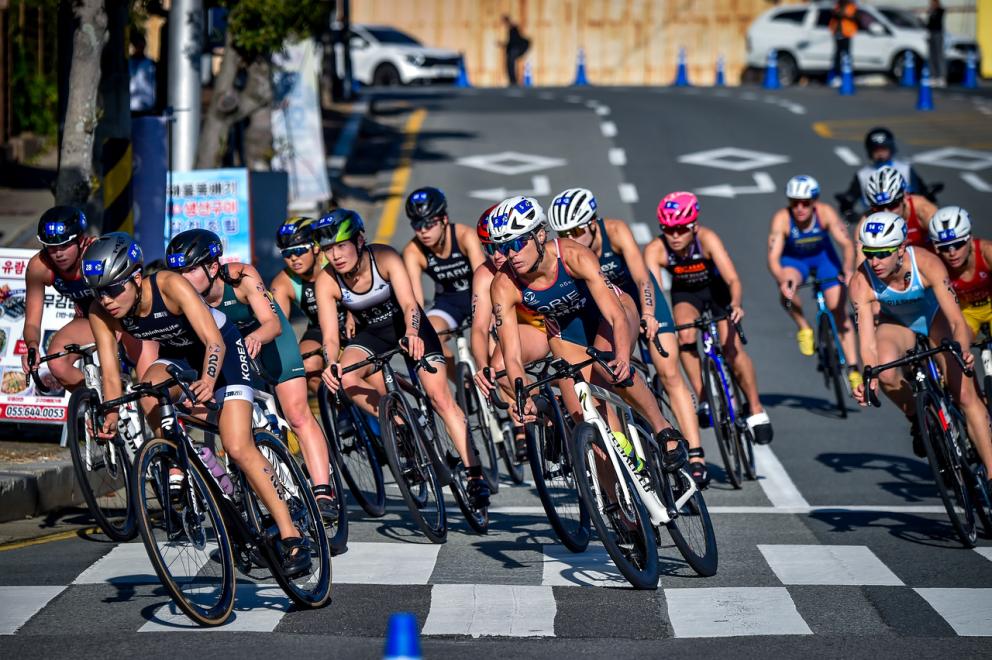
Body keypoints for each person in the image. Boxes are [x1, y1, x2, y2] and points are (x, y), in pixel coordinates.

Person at [82, 232, 312, 576]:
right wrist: (112, 411)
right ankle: (183, 456)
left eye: (114, 289)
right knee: (147, 389)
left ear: (136, 278)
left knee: (236, 444)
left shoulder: (170, 285)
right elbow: (111, 373)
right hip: (181, 357)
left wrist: (207, 378)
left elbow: (213, 340)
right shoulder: (102, 311)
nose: (108, 300)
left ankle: (293, 539)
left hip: (223, 350)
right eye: (99, 292)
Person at [487, 195, 689, 474]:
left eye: (518, 243)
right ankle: (619, 508)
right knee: (583, 418)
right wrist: (522, 397)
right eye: (503, 246)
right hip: (567, 333)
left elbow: (615, 315)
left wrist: (622, 357)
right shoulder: (503, 284)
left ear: (540, 235)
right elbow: (511, 354)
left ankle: (664, 430)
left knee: (607, 367)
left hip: (610, 316)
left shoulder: (572, 256)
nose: (511, 254)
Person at [313, 209, 491, 509]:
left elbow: (410, 304)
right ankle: (395, 419)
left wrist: (412, 333)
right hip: (372, 335)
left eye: (341, 245)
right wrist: (331, 361)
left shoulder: (384, 258)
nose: (336, 255)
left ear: (359, 240)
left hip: (408, 327)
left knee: (439, 398)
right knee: (344, 375)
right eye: (329, 249)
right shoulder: (327, 281)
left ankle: (475, 475)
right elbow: (331, 338)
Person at [165, 228, 338, 524]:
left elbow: (272, 323)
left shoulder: (242, 276)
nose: (182, 278)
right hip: (229, 350)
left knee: (296, 413)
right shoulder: (181, 296)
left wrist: (256, 336)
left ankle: (323, 491)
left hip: (268, 339)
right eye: (178, 271)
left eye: (191, 269)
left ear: (213, 267)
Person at [546, 187, 709, 487]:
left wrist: (649, 314)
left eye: (579, 229)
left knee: (668, 368)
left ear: (594, 222)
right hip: (603, 310)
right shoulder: (567, 254)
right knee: (604, 379)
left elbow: (642, 277)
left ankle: (694, 455)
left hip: (639, 300)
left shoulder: (616, 231)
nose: (573, 237)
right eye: (565, 232)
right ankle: (629, 450)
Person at [851, 213, 992, 485]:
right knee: (886, 373)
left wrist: (962, 351)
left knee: (963, 393)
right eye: (869, 253)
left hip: (934, 317)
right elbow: (867, 343)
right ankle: (917, 417)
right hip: (897, 324)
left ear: (901, 248)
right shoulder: (861, 282)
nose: (874, 261)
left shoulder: (926, 263)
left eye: (882, 253)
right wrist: (869, 377)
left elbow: (956, 321)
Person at [644, 192, 774, 445]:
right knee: (684, 334)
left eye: (681, 229)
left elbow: (733, 279)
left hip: (717, 293)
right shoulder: (656, 249)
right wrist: (654, 318)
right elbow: (654, 292)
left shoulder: (707, 239)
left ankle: (756, 408)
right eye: (668, 230)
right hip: (687, 295)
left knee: (731, 348)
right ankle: (704, 396)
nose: (674, 236)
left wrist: (736, 304)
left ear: (694, 226)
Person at [470, 205, 560, 462]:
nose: (499, 255)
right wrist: (481, 366)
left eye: (504, 245)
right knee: (499, 368)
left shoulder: (529, 255)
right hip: (534, 330)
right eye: (490, 248)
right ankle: (547, 409)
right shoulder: (486, 275)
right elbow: (478, 327)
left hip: (558, 319)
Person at [21, 206, 138, 390]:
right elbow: (32, 323)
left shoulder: (96, 253)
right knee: (57, 361)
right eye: (51, 247)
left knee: (145, 372)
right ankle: (96, 403)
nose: (58, 253)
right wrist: (33, 346)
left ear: (81, 240)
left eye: (65, 245)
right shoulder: (39, 267)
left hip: (127, 315)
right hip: (90, 319)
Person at [768, 175, 861, 389]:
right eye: (794, 202)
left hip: (824, 260)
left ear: (815, 201)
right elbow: (773, 259)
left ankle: (854, 367)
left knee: (838, 309)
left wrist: (847, 270)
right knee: (787, 292)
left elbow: (847, 245)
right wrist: (782, 280)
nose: (800, 208)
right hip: (794, 261)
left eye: (806, 203)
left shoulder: (825, 213)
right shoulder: (782, 219)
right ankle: (803, 326)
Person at [402, 187, 487, 378]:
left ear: (444, 220)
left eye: (429, 223)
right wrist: (415, 329)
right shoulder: (413, 251)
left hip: (479, 296)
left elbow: (484, 279)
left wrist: (484, 320)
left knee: (483, 345)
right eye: (417, 225)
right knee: (429, 335)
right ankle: (461, 383)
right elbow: (415, 300)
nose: (423, 231)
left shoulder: (465, 236)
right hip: (448, 303)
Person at [269, 217, 335, 394]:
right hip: (320, 328)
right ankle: (341, 411)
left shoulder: (333, 261)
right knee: (307, 365)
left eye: (299, 250)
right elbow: (277, 325)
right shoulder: (283, 282)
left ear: (315, 247)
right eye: (286, 253)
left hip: (354, 322)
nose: (293, 258)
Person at [837, 127, 930, 219]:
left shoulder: (905, 169)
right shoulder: (862, 175)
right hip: (874, 217)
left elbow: (920, 193)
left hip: (905, 217)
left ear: (890, 148)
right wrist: (847, 204)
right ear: (870, 151)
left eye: (883, 149)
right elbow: (851, 197)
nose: (880, 153)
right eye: (876, 150)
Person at [928, 206, 992, 337]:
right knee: (956, 347)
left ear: (970, 239)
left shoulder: (988, 252)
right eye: (944, 247)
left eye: (957, 245)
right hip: (966, 314)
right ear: (936, 247)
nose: (952, 253)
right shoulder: (934, 264)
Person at [855, 166, 937, 259]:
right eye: (879, 207)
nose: (886, 212)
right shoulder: (867, 222)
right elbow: (861, 263)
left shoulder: (922, 210)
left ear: (905, 196)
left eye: (892, 205)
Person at [828, 0, 859, 86]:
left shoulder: (851, 6)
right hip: (837, 33)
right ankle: (837, 76)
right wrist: (836, 14)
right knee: (837, 55)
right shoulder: (837, 6)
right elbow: (832, 15)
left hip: (847, 34)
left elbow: (856, 17)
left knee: (847, 55)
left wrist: (844, 16)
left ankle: (847, 76)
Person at [128, 31, 157, 114]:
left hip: (147, 105)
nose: (139, 48)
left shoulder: (151, 63)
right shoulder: (127, 63)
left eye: (141, 45)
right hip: (131, 105)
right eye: (137, 45)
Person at [501, 15, 530, 86]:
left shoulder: (512, 27)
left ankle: (513, 80)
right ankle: (513, 80)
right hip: (515, 48)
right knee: (511, 64)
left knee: (510, 64)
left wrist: (505, 45)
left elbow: (513, 41)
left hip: (515, 48)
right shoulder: (512, 27)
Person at [927, 0, 946, 87]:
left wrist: (932, 12)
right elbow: (929, 24)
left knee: (939, 55)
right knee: (932, 56)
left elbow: (937, 21)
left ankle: (941, 77)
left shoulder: (940, 11)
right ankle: (933, 77)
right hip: (931, 33)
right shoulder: (930, 12)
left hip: (938, 33)